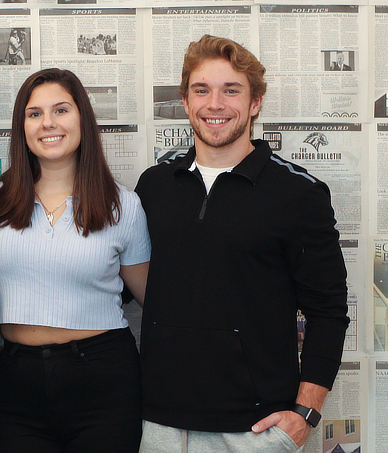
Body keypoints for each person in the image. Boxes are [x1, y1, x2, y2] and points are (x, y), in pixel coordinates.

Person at [135, 35, 349, 453]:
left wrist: (305, 414)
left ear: (255, 103)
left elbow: (329, 310)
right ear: (186, 100)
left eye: (231, 90)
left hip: (255, 431)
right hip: (159, 423)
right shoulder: (154, 186)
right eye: (202, 90)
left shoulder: (297, 194)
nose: (215, 104)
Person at [0, 68, 150, 452]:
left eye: (61, 110)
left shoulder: (123, 205)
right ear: (22, 126)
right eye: (34, 113)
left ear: (82, 120)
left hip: (103, 381)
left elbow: (153, 301)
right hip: (17, 385)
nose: (48, 123)